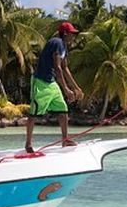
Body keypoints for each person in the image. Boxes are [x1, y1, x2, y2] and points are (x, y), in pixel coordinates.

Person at [25, 21, 84, 153]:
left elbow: (65, 67)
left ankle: (65, 140)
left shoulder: (64, 47)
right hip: (40, 81)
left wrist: (76, 87)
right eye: (72, 34)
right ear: (66, 33)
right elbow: (57, 67)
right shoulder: (57, 42)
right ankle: (28, 144)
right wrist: (66, 89)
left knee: (63, 110)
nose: (74, 37)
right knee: (34, 113)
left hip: (52, 83)